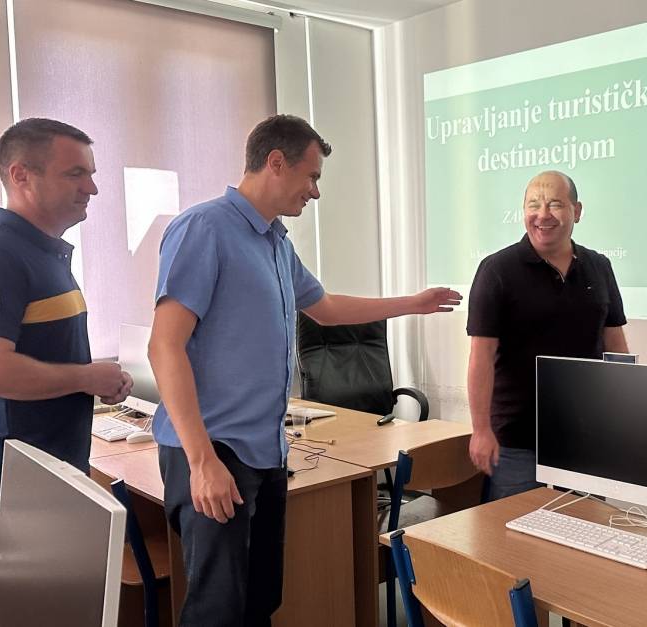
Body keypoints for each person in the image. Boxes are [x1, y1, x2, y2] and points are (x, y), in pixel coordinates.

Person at [147, 114, 460, 626]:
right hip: (214, 451)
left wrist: (412, 303)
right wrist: (202, 462)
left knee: (259, 602)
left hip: (265, 452)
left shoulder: (275, 242)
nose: (315, 191)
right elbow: (164, 346)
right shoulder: (204, 228)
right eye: (311, 176)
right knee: (216, 611)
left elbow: (326, 309)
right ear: (276, 163)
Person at [0, 118, 133, 605]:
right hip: (11, 481)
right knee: (31, 612)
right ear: (21, 175)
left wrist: (92, 381)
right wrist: (86, 376)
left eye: (91, 174)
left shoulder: (43, 254)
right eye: (75, 174)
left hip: (47, 472)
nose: (92, 188)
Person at [466, 170, 629, 500]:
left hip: (586, 433)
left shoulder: (599, 267)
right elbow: (481, 358)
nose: (543, 215)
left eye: (555, 204)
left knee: (585, 526)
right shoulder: (497, 270)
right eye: (533, 205)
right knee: (508, 529)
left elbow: (615, 345)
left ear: (576, 211)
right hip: (516, 438)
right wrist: (481, 430)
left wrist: (626, 413)